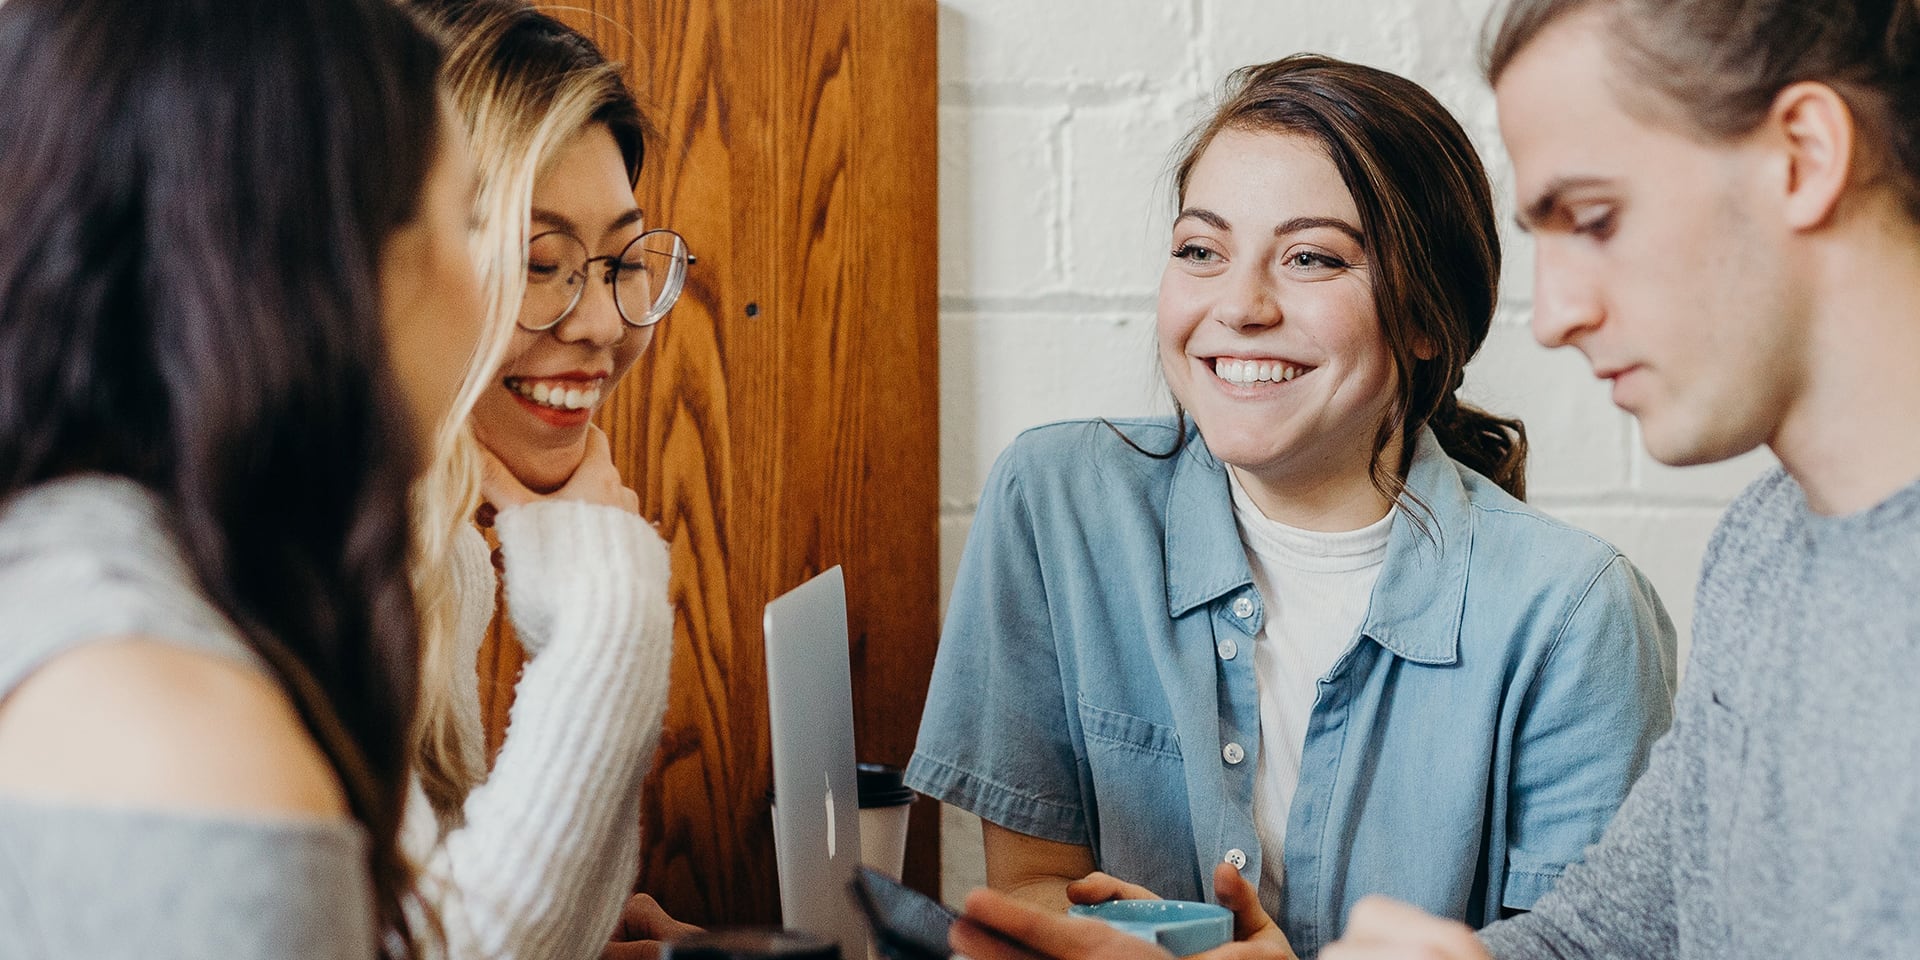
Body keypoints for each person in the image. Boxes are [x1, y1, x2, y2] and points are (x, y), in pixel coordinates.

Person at [909, 54, 1677, 958]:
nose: (1239, 305)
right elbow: (1035, 881)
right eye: (1202, 250)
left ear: (1429, 319)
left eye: (1311, 257)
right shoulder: (1057, 504)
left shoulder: (1577, 616)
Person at [1319, 0, 1920, 957]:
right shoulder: (1765, 545)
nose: (1552, 315)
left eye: (1593, 219)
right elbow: (1611, 933)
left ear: (1804, 155)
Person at [0, 0, 481, 956]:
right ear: (337, 274)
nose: (489, 290)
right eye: (467, 220)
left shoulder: (62, 572)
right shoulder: (194, 754)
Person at [398, 3, 698, 958]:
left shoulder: (440, 555)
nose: (604, 323)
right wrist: (611, 615)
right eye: (540, 262)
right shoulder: (300, 558)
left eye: (620, 260)